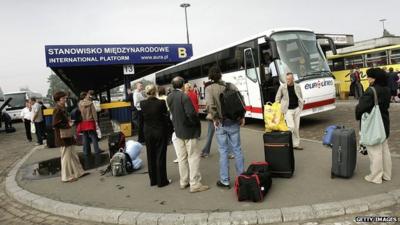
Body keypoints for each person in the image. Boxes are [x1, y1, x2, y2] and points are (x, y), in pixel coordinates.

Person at [167, 76, 209, 193]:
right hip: (189, 131)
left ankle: (184, 181)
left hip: (178, 131)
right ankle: (195, 184)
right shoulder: (184, 97)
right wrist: (195, 124)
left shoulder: (169, 97)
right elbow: (191, 114)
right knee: (193, 157)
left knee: (182, 158)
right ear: (182, 85)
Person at [205, 65, 245, 189]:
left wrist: (215, 118)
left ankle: (225, 181)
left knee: (223, 152)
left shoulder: (209, 89)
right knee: (237, 150)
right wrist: (242, 117)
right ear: (221, 74)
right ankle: (241, 178)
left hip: (220, 124)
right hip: (233, 122)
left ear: (210, 76)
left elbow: (210, 105)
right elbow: (241, 100)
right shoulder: (230, 85)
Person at [356, 68, 392, 184]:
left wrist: (357, 114)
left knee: (375, 151)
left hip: (374, 126)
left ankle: (375, 177)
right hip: (384, 123)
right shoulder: (387, 89)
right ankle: (387, 175)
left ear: (374, 78)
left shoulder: (371, 90)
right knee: (384, 150)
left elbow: (361, 108)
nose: (367, 78)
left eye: (369, 76)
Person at [141, 84, 171, 187]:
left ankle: (153, 180)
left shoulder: (142, 103)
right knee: (160, 155)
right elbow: (165, 117)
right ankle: (161, 181)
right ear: (155, 92)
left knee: (150, 155)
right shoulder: (161, 102)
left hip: (148, 132)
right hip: (159, 131)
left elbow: (142, 119)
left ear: (146, 92)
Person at [52, 91, 85, 182]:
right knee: (66, 157)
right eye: (63, 98)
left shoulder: (61, 108)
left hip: (66, 136)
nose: (65, 99)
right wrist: (68, 124)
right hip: (63, 137)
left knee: (73, 155)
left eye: (65, 98)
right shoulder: (57, 109)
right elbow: (55, 124)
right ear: (58, 100)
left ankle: (79, 172)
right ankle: (66, 176)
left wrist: (68, 123)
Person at [275, 72, 304, 150]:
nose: (288, 80)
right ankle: (286, 142)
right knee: (291, 127)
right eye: (287, 79)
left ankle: (296, 144)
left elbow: (300, 96)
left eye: (289, 79)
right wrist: (278, 107)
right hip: (287, 110)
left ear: (293, 79)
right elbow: (277, 98)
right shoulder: (282, 87)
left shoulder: (297, 86)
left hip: (297, 109)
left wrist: (301, 104)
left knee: (296, 128)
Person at [79, 91, 101, 155]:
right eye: (87, 95)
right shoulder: (90, 103)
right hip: (90, 121)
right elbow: (94, 113)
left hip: (83, 122)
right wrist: (96, 121)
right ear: (86, 96)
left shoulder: (80, 103)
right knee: (93, 136)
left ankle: (86, 152)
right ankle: (97, 150)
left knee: (85, 136)